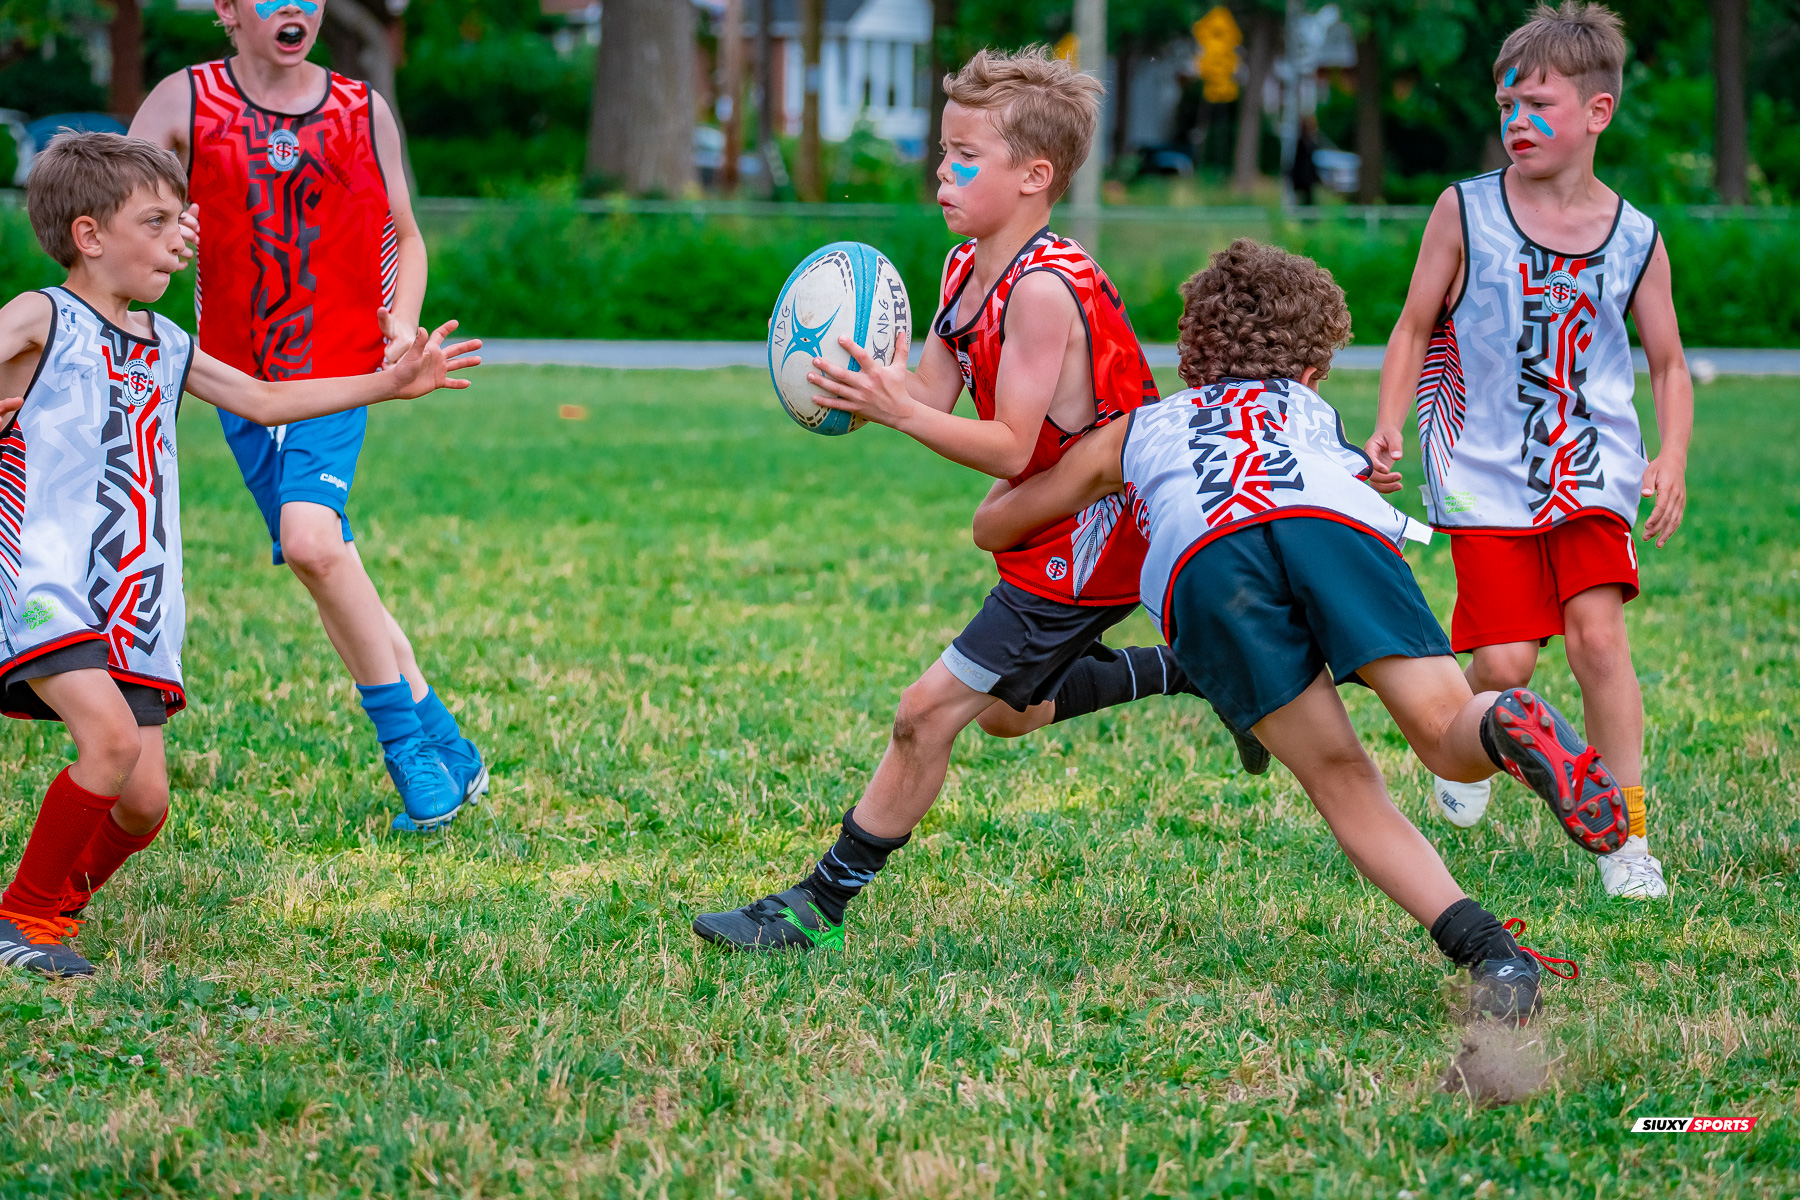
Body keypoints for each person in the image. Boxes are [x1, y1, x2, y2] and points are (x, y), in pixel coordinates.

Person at [691, 47, 1262, 952]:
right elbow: (931, 396)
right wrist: (873, 387)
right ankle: (1199, 668)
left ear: (1035, 177)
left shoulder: (1041, 289)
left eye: (965, 156)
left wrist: (894, 414)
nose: (942, 172)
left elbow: (1009, 445)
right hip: (1054, 517)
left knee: (929, 712)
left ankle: (816, 908)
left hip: (1100, 532)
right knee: (1007, 711)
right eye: (944, 151)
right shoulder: (965, 270)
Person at [971, 239, 1621, 1021]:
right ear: (1310, 372)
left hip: (1210, 564)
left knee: (1343, 777)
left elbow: (997, 528)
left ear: (1192, 355)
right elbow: (1344, 473)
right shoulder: (1313, 414)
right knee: (1450, 730)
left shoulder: (1139, 429)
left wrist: (1046, 472)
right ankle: (1510, 719)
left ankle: (1494, 956)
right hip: (1330, 524)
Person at [0, 133, 479, 975]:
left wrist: (387, 384)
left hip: (134, 597)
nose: (179, 237)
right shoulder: (43, 316)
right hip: (43, 574)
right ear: (88, 236)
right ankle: (21, 922)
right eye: (155, 222)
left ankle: (56, 908)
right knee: (108, 744)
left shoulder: (165, 341)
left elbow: (262, 400)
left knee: (144, 804)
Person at [128, 0, 487, 833]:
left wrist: (402, 321)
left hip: (338, 371)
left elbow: (405, 232)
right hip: (235, 379)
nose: (294, 7)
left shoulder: (363, 109)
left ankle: (410, 759)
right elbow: (123, 210)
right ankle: (450, 746)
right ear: (227, 9)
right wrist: (164, 225)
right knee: (330, 563)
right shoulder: (185, 99)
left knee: (312, 541)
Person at [1365, 2, 1689, 898]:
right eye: (1508, 104)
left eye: (1540, 104)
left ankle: (1627, 839)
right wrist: (1391, 420)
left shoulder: (1636, 237)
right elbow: (1412, 325)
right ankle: (1464, 751)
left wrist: (1672, 456)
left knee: (1597, 638)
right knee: (1507, 664)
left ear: (1597, 113)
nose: (1518, 121)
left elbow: (1668, 362)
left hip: (1592, 469)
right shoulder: (1463, 210)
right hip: (1482, 471)